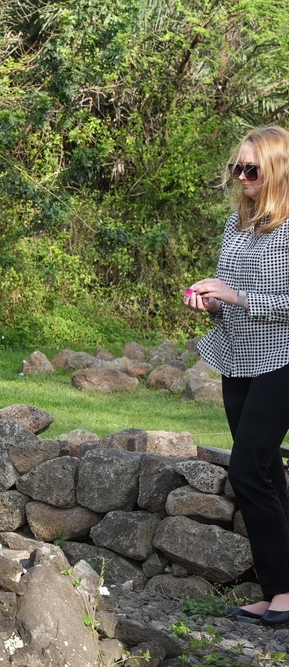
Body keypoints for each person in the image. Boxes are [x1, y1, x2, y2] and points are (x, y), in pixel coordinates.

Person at [184, 125, 289, 626]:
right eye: (237, 168)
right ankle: (280, 590)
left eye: (253, 169)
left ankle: (283, 592)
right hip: (238, 358)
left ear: (278, 171)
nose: (243, 177)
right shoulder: (235, 226)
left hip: (282, 360)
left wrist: (236, 296)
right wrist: (209, 302)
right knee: (265, 470)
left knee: (247, 468)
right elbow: (229, 305)